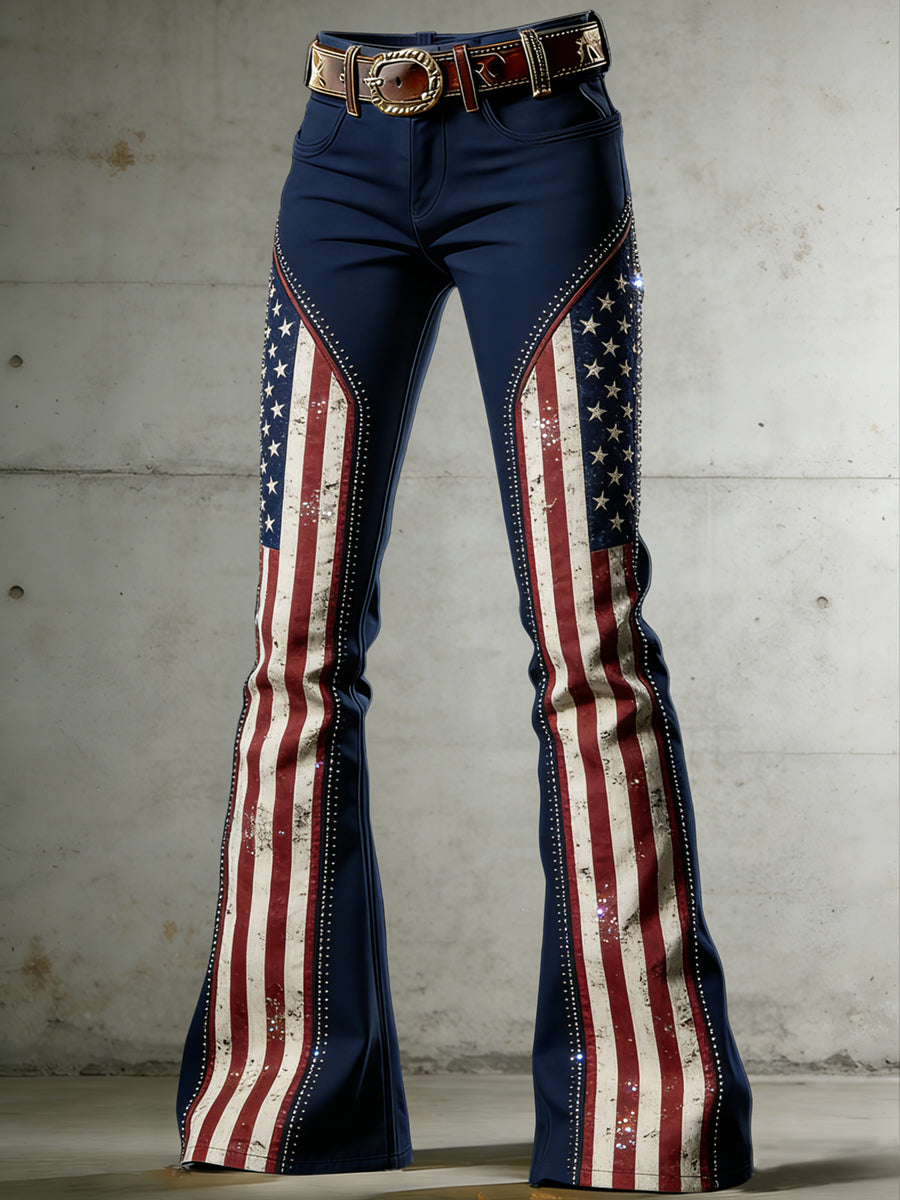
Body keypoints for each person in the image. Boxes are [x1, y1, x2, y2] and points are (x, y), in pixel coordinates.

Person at [176, 10, 754, 1192]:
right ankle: (282, 1096)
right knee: (296, 646)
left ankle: (642, 1113)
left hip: (543, 141)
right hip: (339, 146)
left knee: (590, 639)